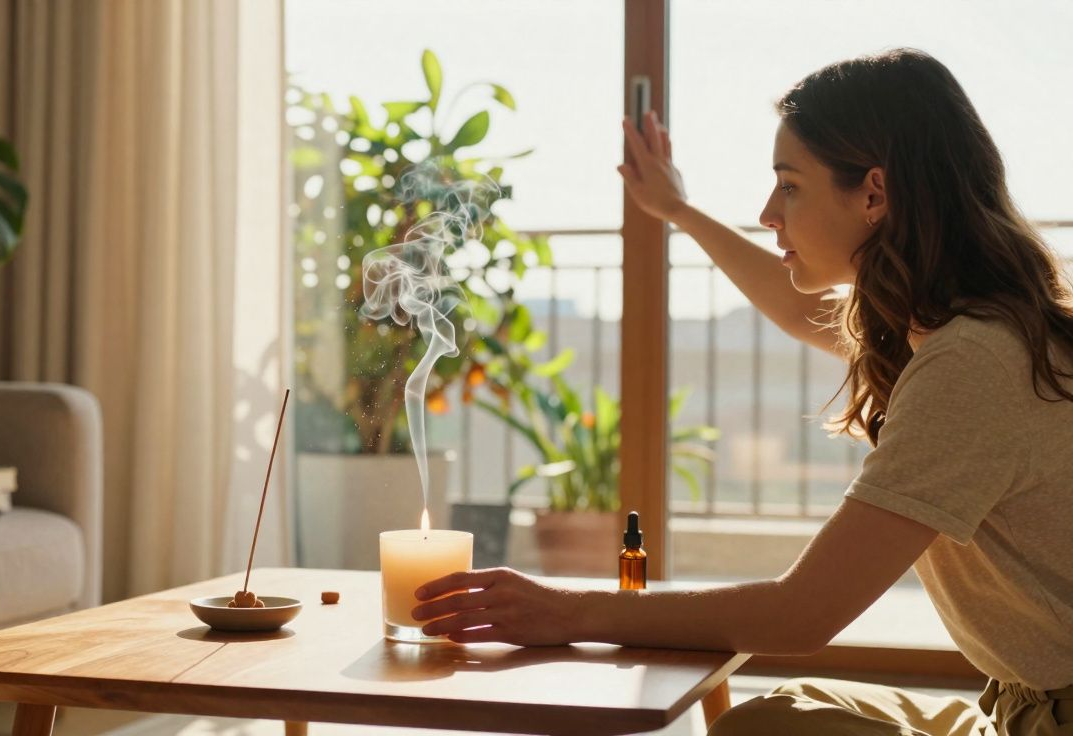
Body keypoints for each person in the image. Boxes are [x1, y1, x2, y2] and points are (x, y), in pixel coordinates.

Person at [411, 48, 1073, 735]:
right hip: (1020, 707)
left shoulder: (972, 362)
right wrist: (677, 210)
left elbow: (802, 613)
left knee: (765, 729)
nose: (768, 212)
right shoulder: (966, 329)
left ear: (875, 194)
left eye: (790, 186)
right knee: (793, 708)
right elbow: (795, 311)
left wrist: (570, 611)